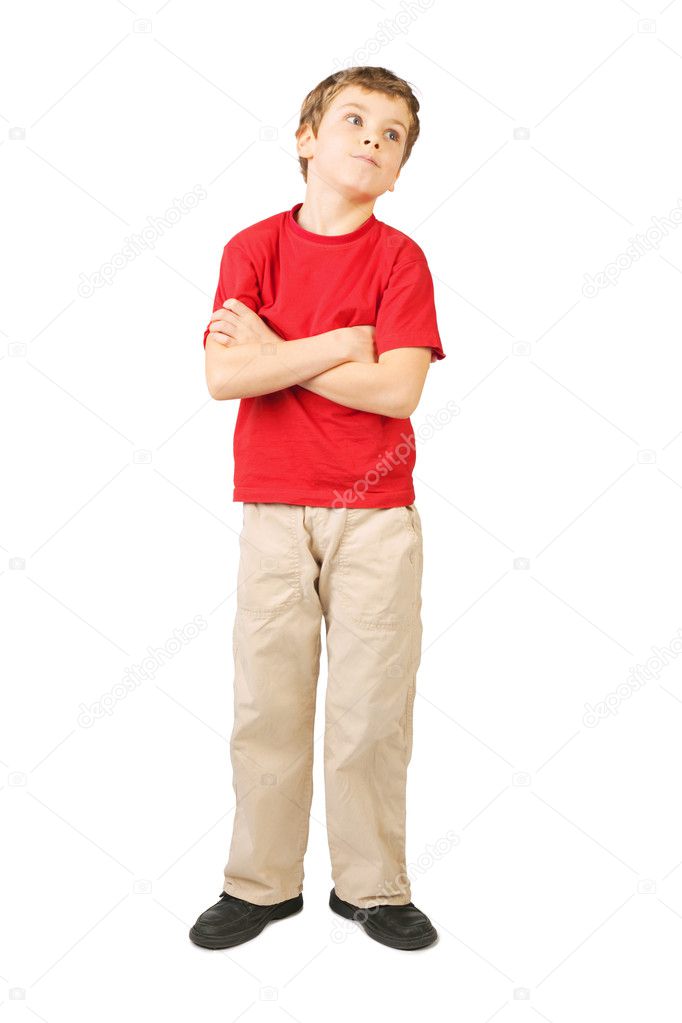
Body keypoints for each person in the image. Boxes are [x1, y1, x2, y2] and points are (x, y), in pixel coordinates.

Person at [189, 65, 446, 953]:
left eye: (393, 135)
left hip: (377, 515)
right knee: (268, 701)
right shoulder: (252, 248)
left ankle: (372, 886)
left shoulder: (400, 260)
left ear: (401, 168)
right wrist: (342, 345)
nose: (373, 140)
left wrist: (283, 348)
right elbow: (226, 375)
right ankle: (260, 884)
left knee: (371, 706)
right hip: (273, 507)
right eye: (355, 121)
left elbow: (398, 392)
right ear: (306, 138)